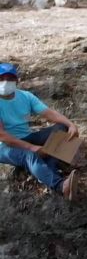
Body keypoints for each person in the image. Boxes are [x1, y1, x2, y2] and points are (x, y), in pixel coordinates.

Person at [0, 63, 78, 199]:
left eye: (10, 78)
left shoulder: (25, 96)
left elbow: (49, 113)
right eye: (1, 79)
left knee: (62, 129)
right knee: (29, 155)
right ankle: (61, 186)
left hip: (27, 135)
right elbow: (3, 136)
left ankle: (50, 170)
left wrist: (71, 124)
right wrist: (32, 147)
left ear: (17, 81)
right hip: (4, 146)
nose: (6, 82)